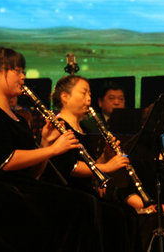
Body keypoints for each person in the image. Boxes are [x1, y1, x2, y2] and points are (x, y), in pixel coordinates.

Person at [0, 47, 104, 251]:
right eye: (17, 71)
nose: (23, 77)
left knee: (84, 202)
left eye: (23, 71)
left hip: (18, 190)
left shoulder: (19, 119)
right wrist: (53, 150)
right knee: (77, 205)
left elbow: (33, 175)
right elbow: (6, 161)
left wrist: (45, 142)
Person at [50, 75, 141, 251]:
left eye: (90, 94)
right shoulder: (57, 126)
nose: (88, 99)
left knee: (127, 214)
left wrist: (106, 155)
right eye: (83, 93)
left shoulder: (85, 128)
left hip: (86, 192)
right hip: (68, 193)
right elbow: (70, 167)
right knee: (116, 216)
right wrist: (107, 167)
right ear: (65, 97)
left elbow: (91, 165)